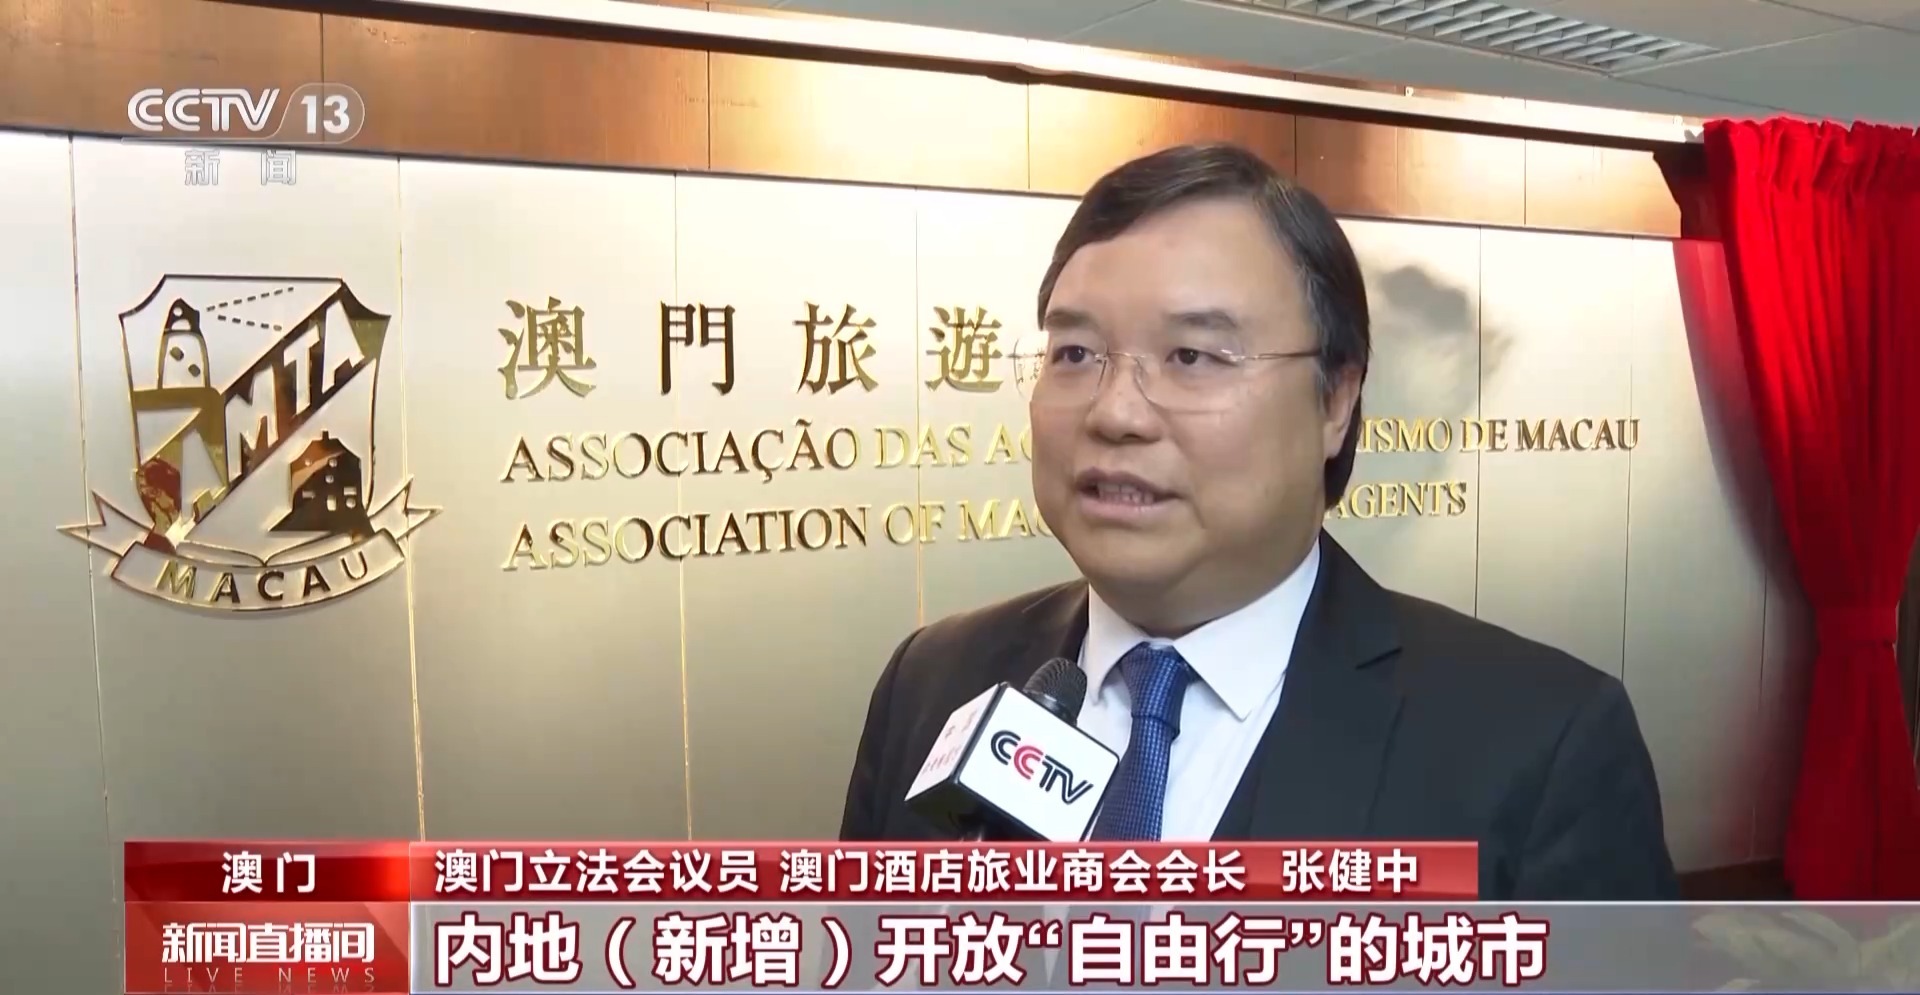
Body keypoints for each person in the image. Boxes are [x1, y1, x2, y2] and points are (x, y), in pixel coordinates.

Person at [838, 142, 1678, 900]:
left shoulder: (1539, 744)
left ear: (1336, 398)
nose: (1115, 412)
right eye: (1076, 354)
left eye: (1192, 356)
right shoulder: (934, 680)